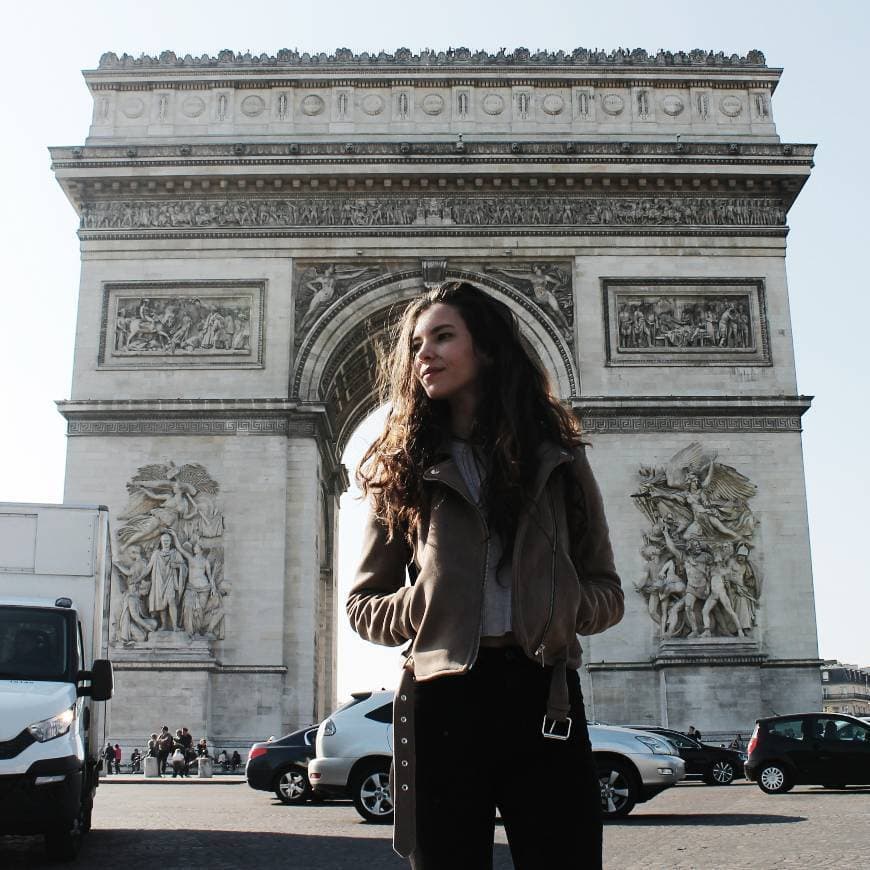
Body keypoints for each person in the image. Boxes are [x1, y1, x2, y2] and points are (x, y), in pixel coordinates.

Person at [346, 283, 624, 868]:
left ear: (489, 349)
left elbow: (608, 590)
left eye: (444, 336)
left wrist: (567, 602)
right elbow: (362, 605)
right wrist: (424, 605)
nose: (424, 353)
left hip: (546, 699)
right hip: (441, 703)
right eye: (417, 343)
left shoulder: (562, 459)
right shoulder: (401, 468)